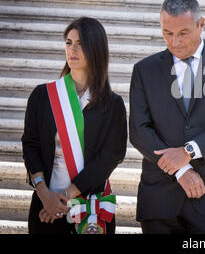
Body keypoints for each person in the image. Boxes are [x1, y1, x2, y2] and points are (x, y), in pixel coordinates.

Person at [129, 0, 205, 234]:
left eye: (183, 33)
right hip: (159, 197)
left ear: (201, 24)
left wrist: (188, 152)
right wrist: (181, 169)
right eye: (167, 33)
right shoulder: (144, 70)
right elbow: (139, 130)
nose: (175, 42)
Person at [22, 17, 127, 234]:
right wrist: (44, 194)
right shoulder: (43, 95)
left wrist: (65, 196)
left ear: (96, 48)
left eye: (81, 43)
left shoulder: (112, 104)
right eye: (69, 42)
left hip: (90, 206)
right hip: (45, 206)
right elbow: (30, 146)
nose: (73, 49)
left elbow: (111, 156)